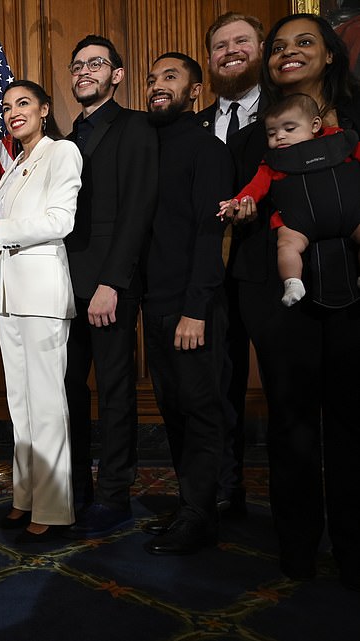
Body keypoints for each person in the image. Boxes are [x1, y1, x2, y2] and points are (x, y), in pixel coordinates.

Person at [224, 13, 360, 589]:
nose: (288, 53)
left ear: (330, 54)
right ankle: (298, 550)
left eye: (304, 42)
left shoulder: (354, 122)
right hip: (280, 294)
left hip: (353, 293)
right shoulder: (260, 130)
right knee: (291, 423)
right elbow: (244, 192)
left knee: (353, 422)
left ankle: (354, 549)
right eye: (278, 46)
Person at [0, 80, 82, 544]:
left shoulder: (61, 153)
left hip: (43, 294)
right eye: (7, 106)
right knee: (21, 404)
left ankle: (55, 508)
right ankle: (26, 496)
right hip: (11, 297)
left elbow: (61, 220)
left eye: (23, 104)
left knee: (47, 405)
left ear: (44, 109)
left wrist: (0, 225)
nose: (13, 112)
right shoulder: (14, 164)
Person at [62, 35, 158, 539]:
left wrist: (113, 283)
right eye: (77, 66)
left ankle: (115, 494)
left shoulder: (135, 126)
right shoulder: (68, 135)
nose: (84, 72)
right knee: (69, 390)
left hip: (108, 286)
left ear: (116, 75)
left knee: (116, 392)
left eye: (95, 64)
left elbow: (138, 209)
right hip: (64, 285)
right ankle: (76, 488)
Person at [142, 52, 233, 555]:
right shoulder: (147, 146)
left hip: (192, 307)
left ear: (194, 91)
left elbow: (209, 236)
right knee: (173, 410)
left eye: (170, 78)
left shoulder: (207, 150)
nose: (158, 85)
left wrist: (195, 309)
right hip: (154, 305)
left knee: (200, 410)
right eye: (153, 79)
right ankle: (190, 506)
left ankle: (202, 515)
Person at [196, 11, 267, 522]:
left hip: (271, 269)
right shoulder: (193, 126)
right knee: (217, 388)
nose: (231, 51)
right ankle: (225, 489)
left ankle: (299, 502)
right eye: (221, 45)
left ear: (260, 48)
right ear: (210, 59)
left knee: (288, 388)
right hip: (208, 280)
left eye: (241, 41)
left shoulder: (290, 114)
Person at [219, 93, 360, 306]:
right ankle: (293, 282)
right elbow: (255, 187)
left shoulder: (339, 140)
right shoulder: (273, 162)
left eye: (290, 129)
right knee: (286, 245)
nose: (280, 137)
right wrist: (236, 202)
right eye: (272, 133)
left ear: (314, 125)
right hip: (298, 223)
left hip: (351, 216)